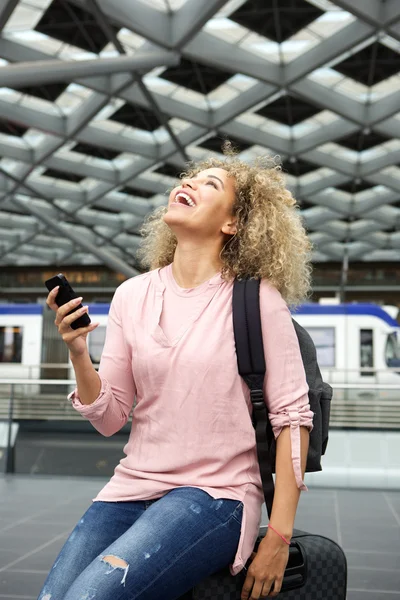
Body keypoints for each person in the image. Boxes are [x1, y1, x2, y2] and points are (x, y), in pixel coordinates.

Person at [38, 146, 314, 600]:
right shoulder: (132, 295)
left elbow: (293, 420)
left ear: (233, 223)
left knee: (91, 596)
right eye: (189, 178)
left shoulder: (256, 300)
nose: (188, 184)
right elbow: (110, 418)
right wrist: (78, 351)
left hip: (215, 494)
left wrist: (279, 537)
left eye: (211, 184)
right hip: (131, 485)